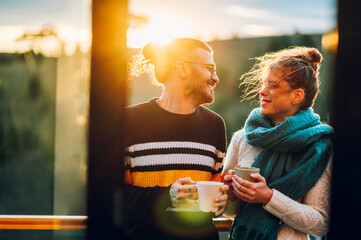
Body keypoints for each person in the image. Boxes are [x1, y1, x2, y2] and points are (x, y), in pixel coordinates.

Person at [123, 38, 229, 240]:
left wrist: (220, 201)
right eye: (209, 68)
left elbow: (213, 192)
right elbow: (114, 197)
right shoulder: (129, 120)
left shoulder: (215, 125)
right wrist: (167, 197)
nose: (216, 78)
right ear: (183, 69)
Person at [222, 46, 333, 240]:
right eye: (264, 83)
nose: (262, 91)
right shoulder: (243, 138)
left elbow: (320, 224)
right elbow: (229, 211)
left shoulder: (319, 146)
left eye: (273, 85)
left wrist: (268, 197)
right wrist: (231, 193)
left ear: (296, 96)